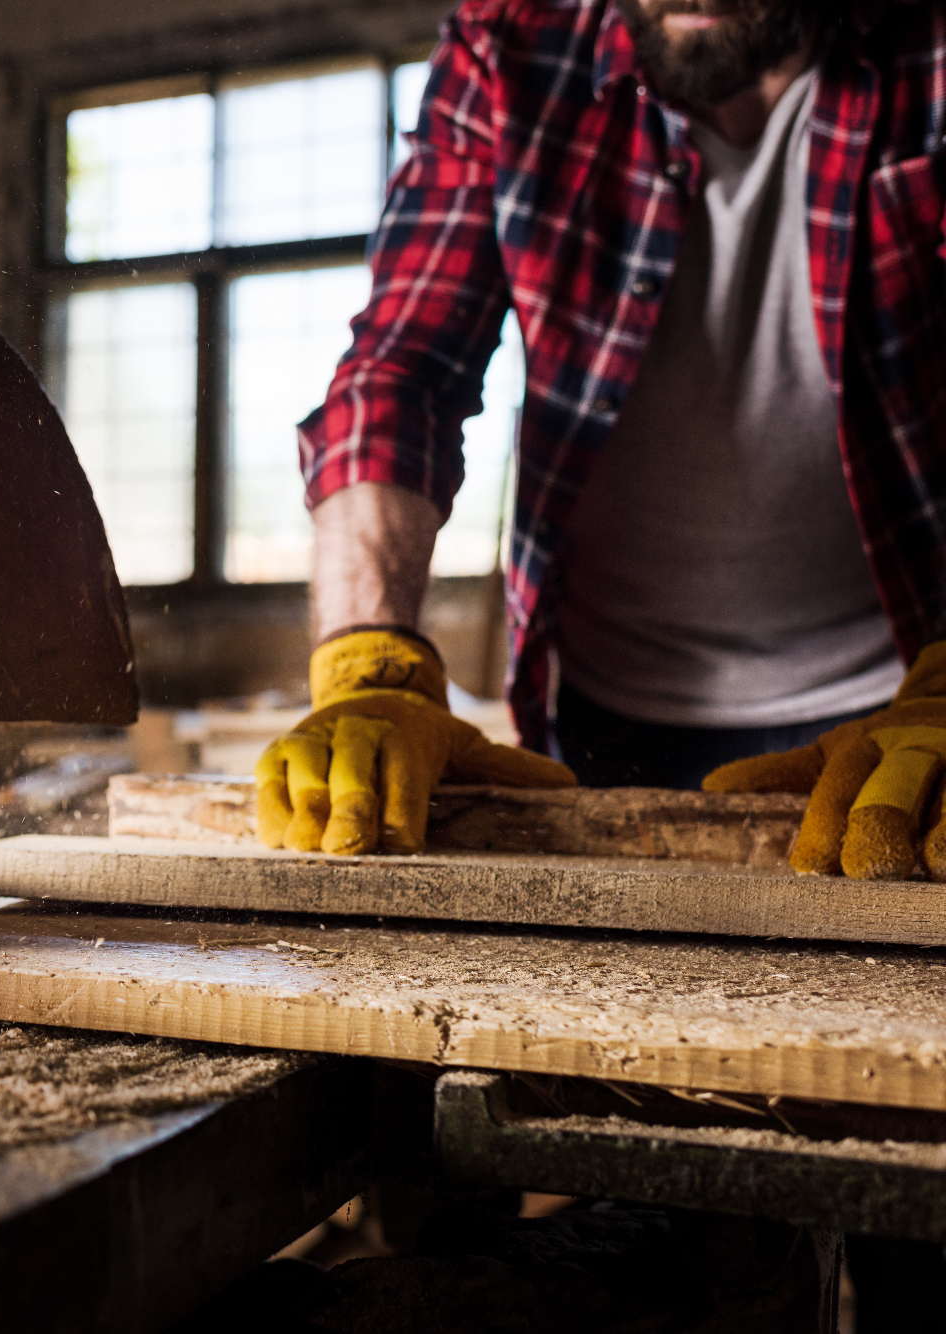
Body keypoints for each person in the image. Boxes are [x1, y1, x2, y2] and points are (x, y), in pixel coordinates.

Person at [260, 0, 946, 881]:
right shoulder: (510, 46)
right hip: (600, 710)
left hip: (903, 708)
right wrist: (369, 660)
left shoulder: (926, 45)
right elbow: (404, 372)